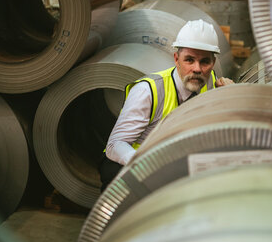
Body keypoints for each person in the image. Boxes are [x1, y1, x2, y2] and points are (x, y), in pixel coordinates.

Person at [99, 19, 234, 191]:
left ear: (213, 64)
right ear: (176, 59)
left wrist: (233, 95)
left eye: (205, 62)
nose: (197, 69)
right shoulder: (148, 91)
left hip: (179, 163)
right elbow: (114, 145)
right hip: (139, 166)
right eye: (189, 60)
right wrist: (150, 166)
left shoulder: (214, 85)